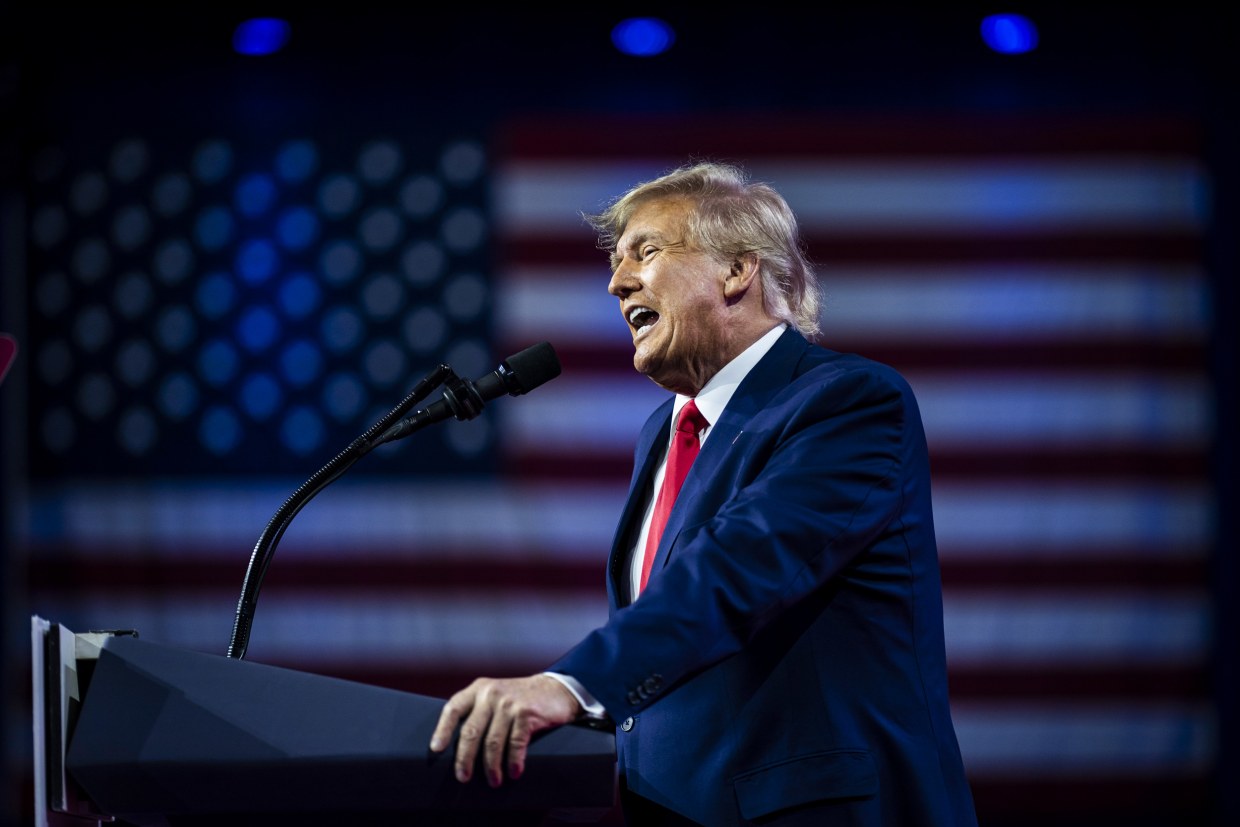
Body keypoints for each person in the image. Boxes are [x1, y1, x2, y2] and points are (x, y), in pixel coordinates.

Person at [429, 161, 978, 826]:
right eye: (617, 261)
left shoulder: (848, 403)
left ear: (737, 269)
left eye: (648, 251)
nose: (617, 280)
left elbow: (736, 569)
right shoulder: (661, 432)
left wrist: (572, 684)